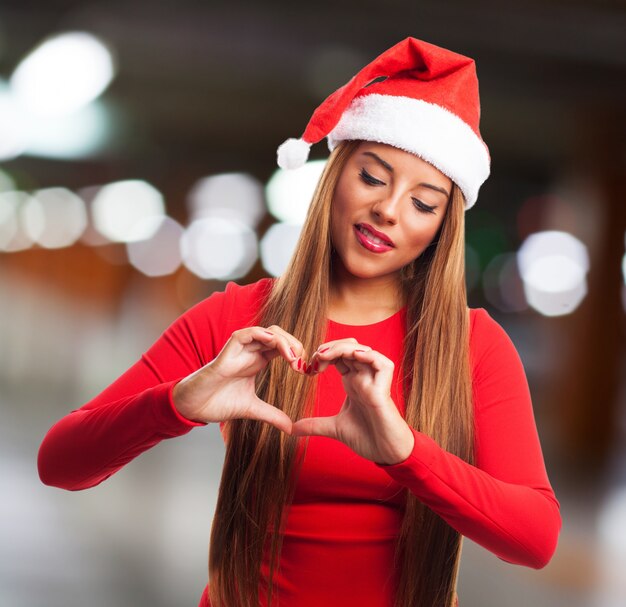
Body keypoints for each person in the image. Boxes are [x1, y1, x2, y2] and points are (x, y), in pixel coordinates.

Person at [38, 37, 561, 607]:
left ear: (442, 227)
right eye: (373, 176)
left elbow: (535, 539)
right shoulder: (240, 318)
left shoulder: (474, 345)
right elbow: (60, 462)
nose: (388, 209)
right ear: (334, 177)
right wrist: (177, 404)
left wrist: (405, 452)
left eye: (424, 202)